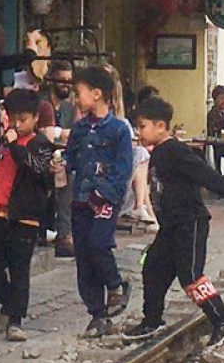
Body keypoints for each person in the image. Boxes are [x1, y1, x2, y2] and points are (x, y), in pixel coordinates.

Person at [121, 98, 224, 348]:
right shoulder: (157, 154)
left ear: (160, 126)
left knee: (189, 275)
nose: (139, 132)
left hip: (190, 222)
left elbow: (204, 173)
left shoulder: (176, 151)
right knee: (154, 267)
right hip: (171, 225)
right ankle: (152, 319)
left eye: (142, 126)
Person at [0, 89, 57, 342]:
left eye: (23, 119)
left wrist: (16, 145)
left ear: (36, 118)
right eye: (12, 118)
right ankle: (8, 303)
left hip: (24, 217)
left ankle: (16, 320)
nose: (17, 124)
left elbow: (38, 171)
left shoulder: (40, 145)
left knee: (19, 269)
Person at [67, 65, 134, 338]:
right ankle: (98, 314)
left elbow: (124, 168)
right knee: (83, 257)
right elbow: (71, 159)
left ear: (96, 94)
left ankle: (116, 284)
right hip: (80, 199)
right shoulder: (79, 129)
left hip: (105, 200)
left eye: (78, 93)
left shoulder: (118, 130)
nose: (75, 99)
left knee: (98, 244)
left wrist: (106, 193)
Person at [42, 60, 78, 258]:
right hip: (38, 155)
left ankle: (67, 232)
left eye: (69, 81)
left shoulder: (69, 108)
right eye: (61, 80)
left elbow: (72, 134)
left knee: (71, 169)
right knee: (65, 173)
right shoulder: (41, 102)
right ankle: (64, 235)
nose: (66, 84)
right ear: (51, 80)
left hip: (60, 156)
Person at [122, 86, 161, 229]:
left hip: (142, 162)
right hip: (130, 164)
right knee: (142, 156)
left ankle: (144, 209)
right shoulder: (130, 121)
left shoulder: (153, 121)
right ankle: (145, 211)